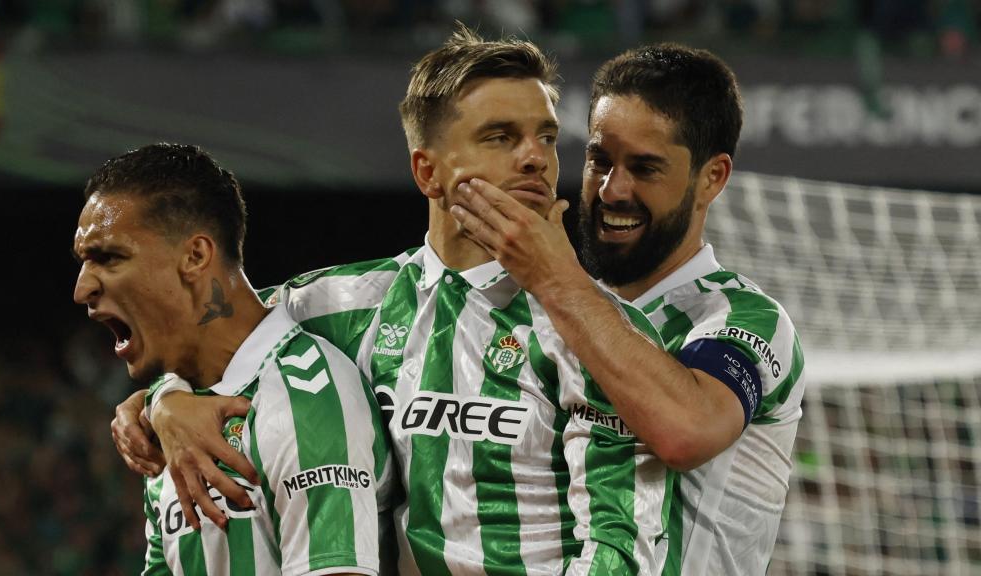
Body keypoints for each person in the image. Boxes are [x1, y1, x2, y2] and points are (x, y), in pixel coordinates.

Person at [115, 27, 676, 575]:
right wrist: (165, 399)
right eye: (501, 137)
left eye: (547, 137)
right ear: (428, 172)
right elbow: (211, 340)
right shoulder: (334, 306)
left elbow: (620, 544)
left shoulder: (599, 333)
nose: (536, 159)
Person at [449, 44, 805, 575]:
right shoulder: (541, 314)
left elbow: (686, 430)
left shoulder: (743, 317)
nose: (612, 190)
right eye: (600, 160)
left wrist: (554, 278)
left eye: (644, 168)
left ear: (712, 177)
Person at [74, 143, 392, 575]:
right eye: (84, 262)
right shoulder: (171, 423)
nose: (82, 289)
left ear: (195, 256)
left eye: (109, 257)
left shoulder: (305, 401)